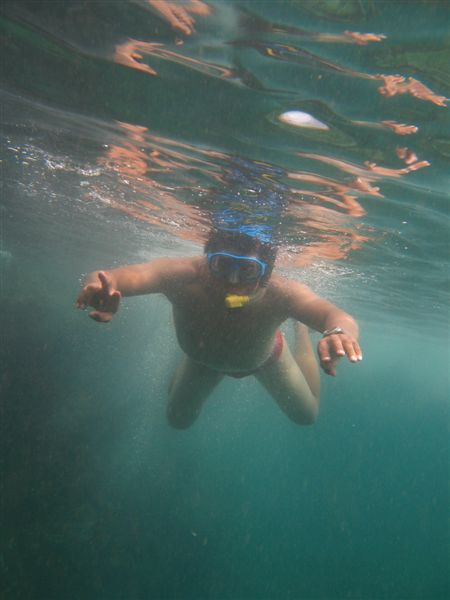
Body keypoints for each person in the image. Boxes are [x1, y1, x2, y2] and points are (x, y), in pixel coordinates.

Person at [76, 229, 362, 428]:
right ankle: (196, 355)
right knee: (177, 421)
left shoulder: (282, 293)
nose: (232, 281)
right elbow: (111, 277)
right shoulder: (181, 275)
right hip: (202, 359)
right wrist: (98, 289)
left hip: (265, 357)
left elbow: (335, 315)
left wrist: (338, 332)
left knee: (306, 417)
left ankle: (300, 331)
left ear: (266, 273)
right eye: (222, 265)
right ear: (207, 259)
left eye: (247, 270)